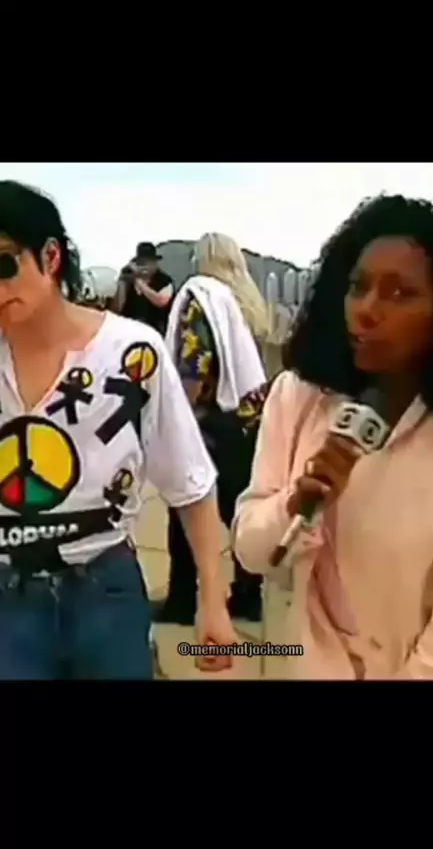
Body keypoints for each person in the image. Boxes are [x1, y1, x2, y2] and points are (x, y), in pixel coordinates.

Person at [232, 194, 433, 679]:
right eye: (358, 287)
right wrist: (295, 503)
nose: (366, 310)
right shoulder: (298, 397)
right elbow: (251, 551)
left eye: (399, 294)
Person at [0, 180, 235, 679]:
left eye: (4, 265)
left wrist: (212, 600)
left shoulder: (132, 353)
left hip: (105, 590)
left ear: (51, 257)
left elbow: (190, 481)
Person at [158, 232, 271, 625]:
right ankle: (248, 595)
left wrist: (177, 413)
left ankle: (182, 601)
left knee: (186, 505)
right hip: (246, 419)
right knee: (238, 509)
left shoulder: (199, 295)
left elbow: (195, 361)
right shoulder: (246, 302)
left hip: (208, 420)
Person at [113, 242, 174, 335]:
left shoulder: (165, 281)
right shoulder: (128, 281)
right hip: (130, 332)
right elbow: (116, 310)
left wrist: (138, 281)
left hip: (156, 332)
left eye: (148, 262)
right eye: (141, 263)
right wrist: (122, 283)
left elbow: (161, 301)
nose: (145, 266)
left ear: (155, 263)